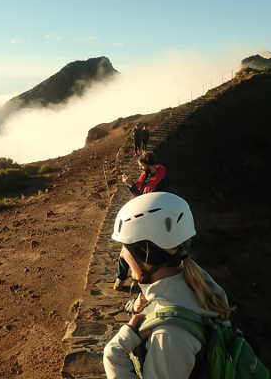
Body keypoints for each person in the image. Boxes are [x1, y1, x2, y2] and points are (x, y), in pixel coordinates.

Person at [104, 192, 234, 379]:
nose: (122, 254)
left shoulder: (168, 336)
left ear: (144, 254)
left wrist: (113, 354)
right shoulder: (203, 285)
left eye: (125, 247)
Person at [114, 152, 167, 290]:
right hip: (142, 217)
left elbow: (144, 200)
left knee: (128, 248)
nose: (140, 169)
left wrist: (129, 185)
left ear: (148, 165)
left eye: (141, 166)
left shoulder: (159, 182)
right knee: (129, 247)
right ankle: (124, 279)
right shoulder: (152, 175)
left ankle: (124, 279)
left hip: (149, 221)